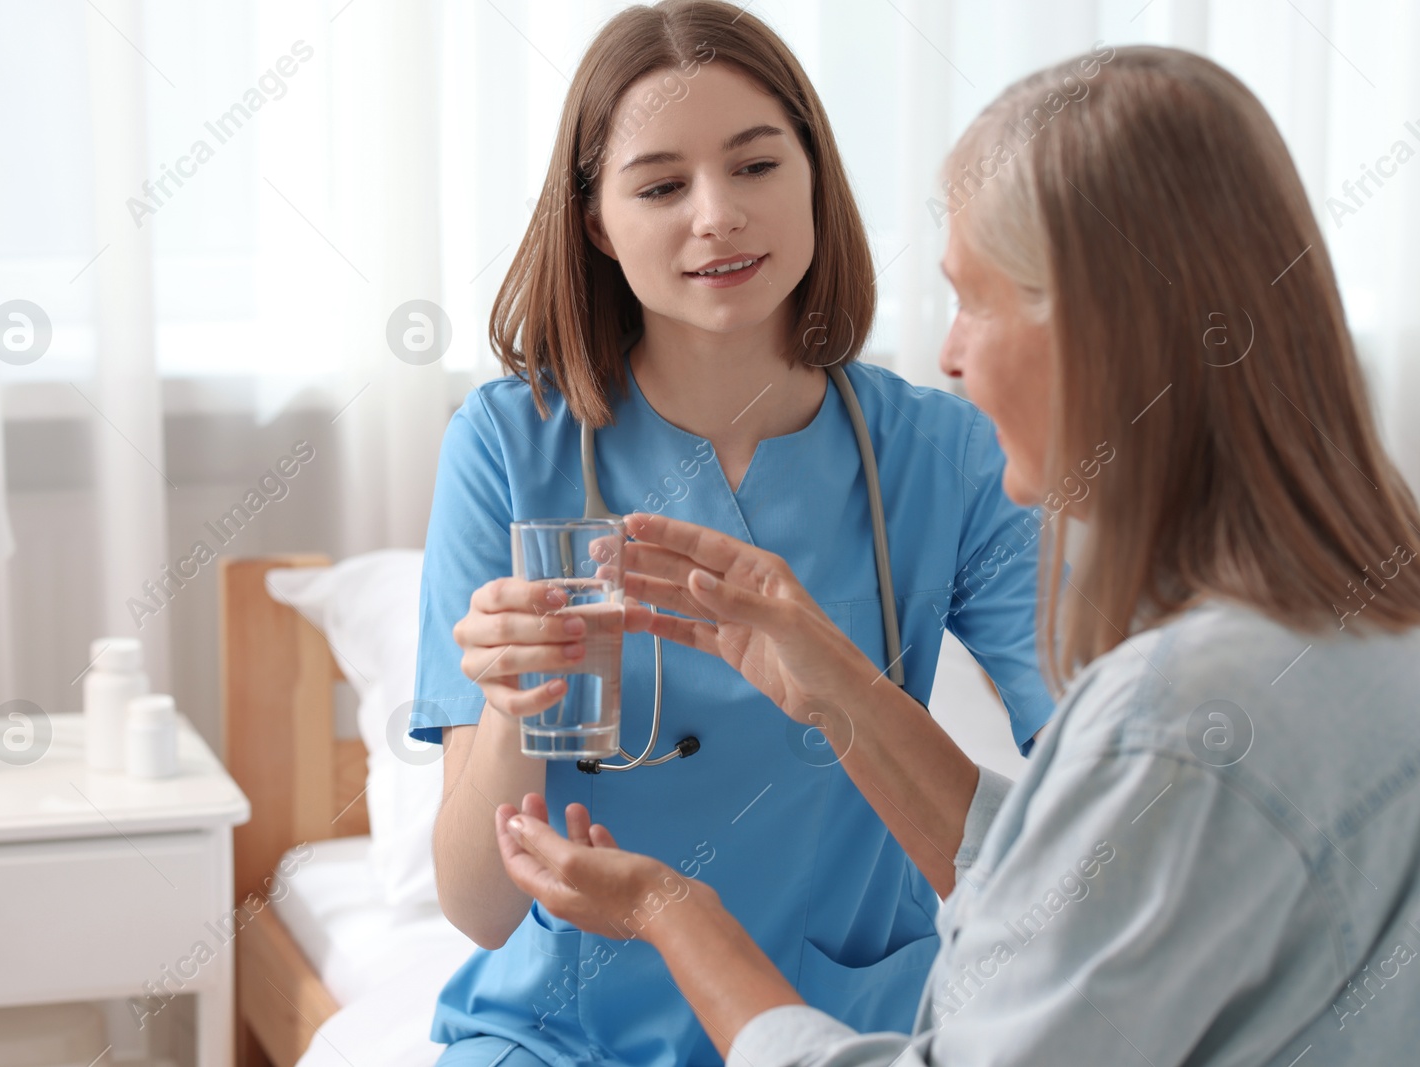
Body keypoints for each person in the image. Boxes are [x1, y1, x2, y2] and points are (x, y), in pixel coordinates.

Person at [494, 45, 1420, 1065]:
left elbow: (1112, 833)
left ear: (1112, 327)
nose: (948, 353)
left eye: (974, 299)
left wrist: (674, 911)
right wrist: (840, 686)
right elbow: (1084, 881)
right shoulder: (1359, 622)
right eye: (661, 183)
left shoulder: (1171, 713)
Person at [410, 2, 1056, 1063]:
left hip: (853, 1021)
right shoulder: (508, 447)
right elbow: (478, 907)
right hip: (563, 1031)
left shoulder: (946, 453)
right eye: (661, 185)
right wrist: (510, 699)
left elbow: (1094, 776)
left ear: (813, 173)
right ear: (595, 221)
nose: (716, 215)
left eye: (755, 165)